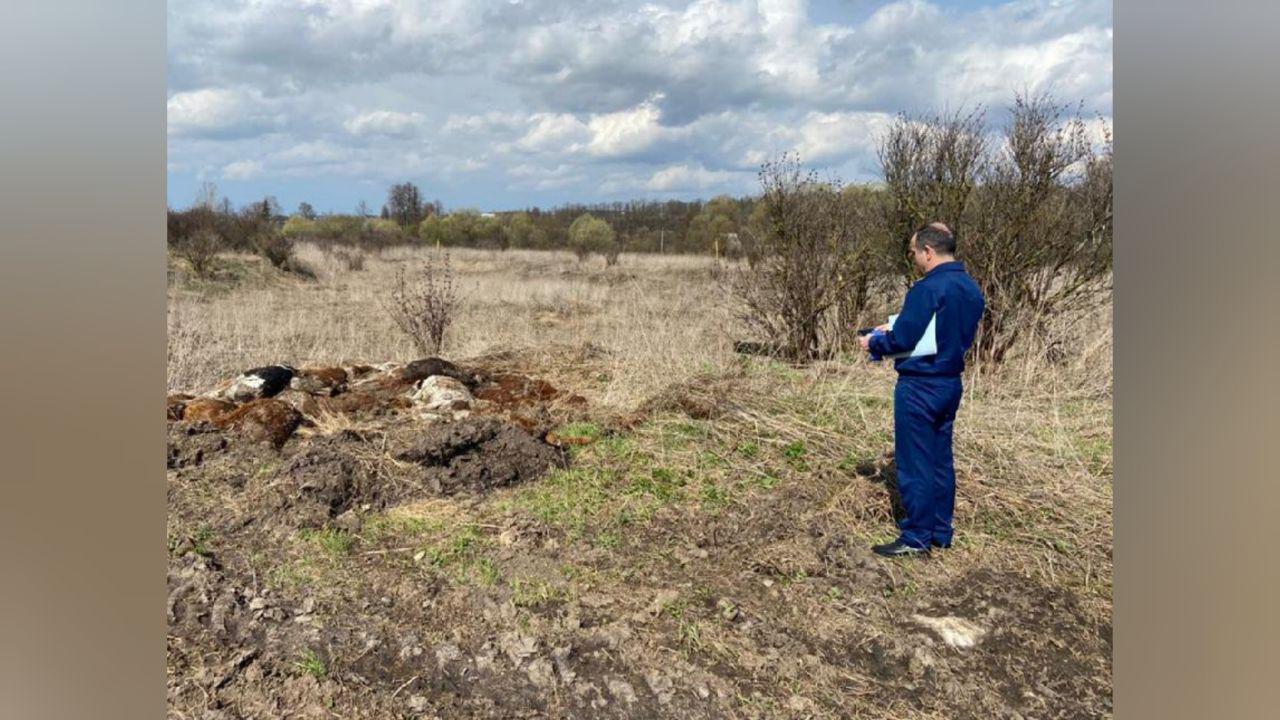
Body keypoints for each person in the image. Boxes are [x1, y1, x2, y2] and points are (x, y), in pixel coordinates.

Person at [858, 223, 985, 557]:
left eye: (914, 252)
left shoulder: (926, 289)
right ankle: (940, 531)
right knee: (941, 460)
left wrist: (874, 341)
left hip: (919, 386)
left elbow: (903, 340)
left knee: (915, 462)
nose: (914, 258)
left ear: (928, 252)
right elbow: (941, 329)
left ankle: (915, 537)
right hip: (950, 382)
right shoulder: (971, 288)